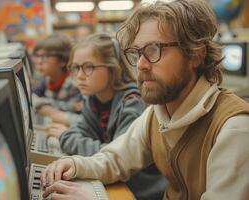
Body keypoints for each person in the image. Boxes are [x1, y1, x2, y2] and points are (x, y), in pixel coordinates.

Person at [41, 0, 249, 199]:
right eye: (137, 52)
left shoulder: (234, 129)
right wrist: (74, 164)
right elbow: (114, 159)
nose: (140, 65)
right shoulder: (157, 114)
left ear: (195, 54)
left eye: (153, 50)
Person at [45, 32, 167, 200]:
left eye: (88, 67)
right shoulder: (92, 101)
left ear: (113, 68)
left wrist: (66, 137)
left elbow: (113, 155)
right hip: (115, 184)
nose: (79, 76)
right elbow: (82, 133)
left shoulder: (132, 103)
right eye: (75, 68)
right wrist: (74, 137)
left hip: (139, 193)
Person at [32, 33, 83, 125]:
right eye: (37, 56)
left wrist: (45, 107)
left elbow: (76, 112)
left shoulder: (77, 84)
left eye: (45, 56)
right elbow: (31, 98)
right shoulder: (47, 80)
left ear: (63, 60)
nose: (39, 62)